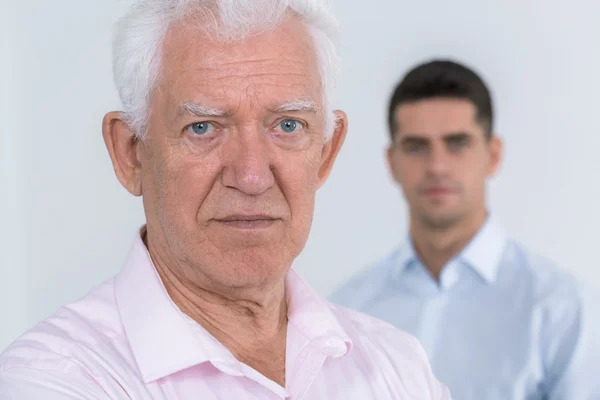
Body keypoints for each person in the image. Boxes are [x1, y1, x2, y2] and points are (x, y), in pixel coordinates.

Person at [0, 1, 452, 399]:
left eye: (288, 125)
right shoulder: (55, 380)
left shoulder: (399, 367)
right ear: (130, 153)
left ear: (326, 152)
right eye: (203, 128)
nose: (252, 176)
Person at [331, 59, 600, 399]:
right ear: (391, 162)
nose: (437, 166)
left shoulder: (563, 310)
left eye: (457, 143)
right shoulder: (347, 312)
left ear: (493, 154)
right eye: (416, 146)